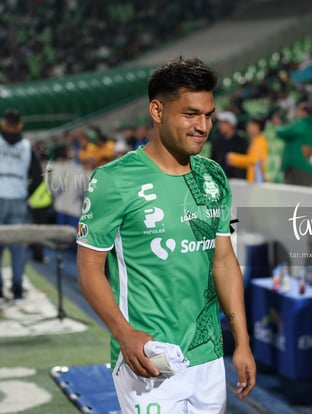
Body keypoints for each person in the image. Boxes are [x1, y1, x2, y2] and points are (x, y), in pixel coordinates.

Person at [76, 56, 256, 413]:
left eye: (208, 115)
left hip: (208, 354)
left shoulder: (213, 176)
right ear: (157, 111)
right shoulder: (114, 180)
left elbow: (223, 262)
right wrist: (123, 334)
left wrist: (243, 342)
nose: (203, 126)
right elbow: (89, 269)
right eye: (190, 114)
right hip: (148, 357)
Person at [0, 109, 42, 302]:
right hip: (18, 199)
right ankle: (17, 287)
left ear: (3, 123)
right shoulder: (27, 146)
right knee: (18, 247)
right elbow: (38, 176)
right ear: (20, 125)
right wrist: (27, 194)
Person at [273, 101, 312, 186]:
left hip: (299, 167)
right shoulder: (307, 125)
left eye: (298, 110)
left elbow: (284, 132)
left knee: (294, 197)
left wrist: (278, 125)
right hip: (298, 167)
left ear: (304, 112)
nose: (295, 112)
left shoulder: (302, 123)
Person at [226, 116, 269, 183]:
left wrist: (234, 159)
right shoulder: (255, 141)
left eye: (251, 124)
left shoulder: (259, 142)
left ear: (256, 127)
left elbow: (253, 160)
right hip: (254, 180)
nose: (248, 126)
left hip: (258, 180)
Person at [210, 111, 248, 179]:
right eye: (220, 123)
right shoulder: (217, 141)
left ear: (231, 125)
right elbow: (213, 159)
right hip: (220, 178)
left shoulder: (241, 141)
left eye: (223, 123)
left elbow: (246, 161)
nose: (220, 126)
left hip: (238, 181)